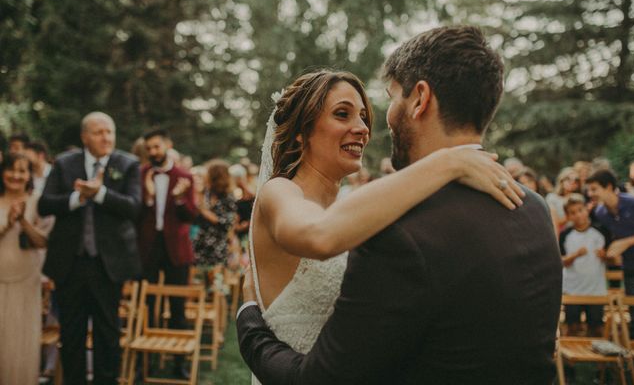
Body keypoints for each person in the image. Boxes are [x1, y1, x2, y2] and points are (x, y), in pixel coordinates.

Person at [238, 26, 561, 384]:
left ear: (420, 99)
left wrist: (249, 324)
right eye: (343, 114)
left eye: (386, 101)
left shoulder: (395, 230)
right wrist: (450, 162)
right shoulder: (534, 210)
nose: (367, 126)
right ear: (301, 130)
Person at [38, 111, 142, 385]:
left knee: (108, 333)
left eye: (109, 131)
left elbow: (133, 207)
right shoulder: (63, 163)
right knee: (71, 332)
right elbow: (44, 204)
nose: (106, 137)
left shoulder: (128, 163)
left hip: (108, 265)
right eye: (99, 132)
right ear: (85, 137)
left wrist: (100, 194)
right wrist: (76, 198)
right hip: (69, 265)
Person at [138, 128, 198, 379]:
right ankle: (146, 362)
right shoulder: (140, 174)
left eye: (156, 146)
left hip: (176, 250)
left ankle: (179, 364)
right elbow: (134, 213)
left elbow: (193, 215)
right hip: (148, 249)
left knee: (177, 308)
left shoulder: (185, 176)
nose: (152, 152)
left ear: (167, 145)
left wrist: (181, 199)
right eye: (149, 148)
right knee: (147, 306)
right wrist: (149, 197)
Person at [0, 153, 52, 384]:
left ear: (30, 175)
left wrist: (22, 221)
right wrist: (7, 223)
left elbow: (42, 241)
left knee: (20, 340)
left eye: (22, 171)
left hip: (26, 280)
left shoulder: (38, 201)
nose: (15, 176)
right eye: (11, 170)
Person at [587, 169, 634, 337]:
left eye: (594, 189)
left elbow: (622, 241)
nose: (590, 194)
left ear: (608, 186)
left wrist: (626, 242)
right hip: (630, 266)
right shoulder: (600, 213)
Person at [559, 194, 610, 336]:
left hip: (595, 290)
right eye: (573, 212)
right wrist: (575, 255)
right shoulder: (565, 235)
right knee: (572, 327)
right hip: (572, 290)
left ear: (586, 210)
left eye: (580, 210)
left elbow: (614, 260)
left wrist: (605, 256)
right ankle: (572, 357)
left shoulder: (601, 231)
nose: (578, 215)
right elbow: (560, 261)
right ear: (568, 216)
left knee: (596, 328)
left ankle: (595, 357)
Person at [194, 159, 238, 270]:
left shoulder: (228, 197)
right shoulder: (206, 192)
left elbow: (226, 222)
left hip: (218, 244)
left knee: (215, 280)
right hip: (201, 241)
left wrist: (205, 212)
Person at [546, 167, 581, 234]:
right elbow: (553, 222)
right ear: (562, 180)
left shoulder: (579, 197)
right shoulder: (552, 197)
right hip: (560, 233)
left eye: (576, 180)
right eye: (568, 179)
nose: (572, 182)